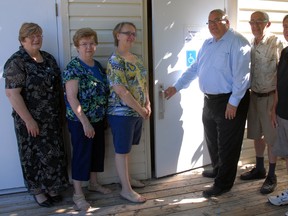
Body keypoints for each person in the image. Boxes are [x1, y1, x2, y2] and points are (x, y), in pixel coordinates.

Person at [164, 9, 251, 197]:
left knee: (228, 144)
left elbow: (242, 76)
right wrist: (177, 86)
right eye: (209, 22)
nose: (212, 25)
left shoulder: (237, 42)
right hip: (210, 101)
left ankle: (224, 183)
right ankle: (219, 169)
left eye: (216, 21)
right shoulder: (208, 43)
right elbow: (195, 67)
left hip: (230, 100)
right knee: (212, 139)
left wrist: (234, 102)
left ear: (226, 21)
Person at [3, 22, 69, 207]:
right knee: (32, 157)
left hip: (52, 118)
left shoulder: (48, 58)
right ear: (22, 39)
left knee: (53, 154)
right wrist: (29, 120)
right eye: (31, 35)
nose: (36, 38)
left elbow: (57, 88)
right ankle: (38, 191)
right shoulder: (16, 62)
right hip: (30, 120)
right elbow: (12, 93)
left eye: (39, 35)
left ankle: (52, 187)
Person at [62, 28, 111, 211]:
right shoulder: (73, 68)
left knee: (97, 152)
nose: (88, 47)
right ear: (77, 47)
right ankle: (78, 194)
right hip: (80, 121)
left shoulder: (97, 65)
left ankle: (93, 183)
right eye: (84, 44)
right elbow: (72, 97)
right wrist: (85, 122)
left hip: (98, 118)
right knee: (82, 154)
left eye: (91, 43)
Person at [239, 11, 284, 195]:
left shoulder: (276, 43)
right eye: (252, 22)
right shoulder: (250, 44)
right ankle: (259, 169)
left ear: (268, 24)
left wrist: (275, 105)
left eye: (260, 22)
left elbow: (282, 76)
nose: (255, 25)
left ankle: (272, 175)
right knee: (257, 134)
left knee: (271, 138)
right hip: (254, 96)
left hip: (270, 97)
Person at [106, 22, 151, 203]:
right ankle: (126, 189)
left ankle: (127, 179)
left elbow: (143, 83)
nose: (131, 37)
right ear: (117, 35)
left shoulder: (136, 58)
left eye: (134, 33)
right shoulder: (115, 61)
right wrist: (140, 109)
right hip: (122, 113)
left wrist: (147, 102)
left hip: (137, 112)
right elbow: (121, 91)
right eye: (127, 33)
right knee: (122, 151)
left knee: (127, 149)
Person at [268, 15, 288, 211]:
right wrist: (274, 109)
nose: (287, 30)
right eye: (284, 26)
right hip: (283, 114)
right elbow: (279, 84)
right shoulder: (285, 52)